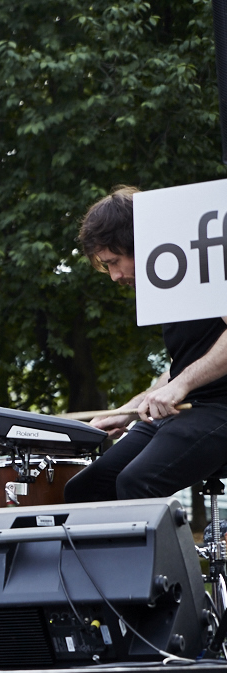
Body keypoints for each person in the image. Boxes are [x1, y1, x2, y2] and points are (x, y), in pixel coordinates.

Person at [64, 186, 227, 503]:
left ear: (140, 243)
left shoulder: (208, 262)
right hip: (184, 411)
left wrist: (181, 385)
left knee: (137, 482)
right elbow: (182, 367)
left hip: (220, 409)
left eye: (113, 262)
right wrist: (128, 410)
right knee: (87, 488)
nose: (113, 276)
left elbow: (183, 379)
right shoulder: (170, 287)